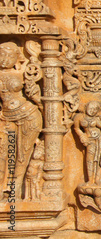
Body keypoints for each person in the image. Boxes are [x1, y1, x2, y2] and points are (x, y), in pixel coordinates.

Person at [0, 42, 43, 197]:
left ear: (17, 58)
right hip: (6, 118)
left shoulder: (23, 73)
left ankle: (15, 191)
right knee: (3, 153)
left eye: (9, 55)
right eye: (1, 55)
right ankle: (3, 189)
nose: (4, 59)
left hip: (28, 116)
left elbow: (34, 88)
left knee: (22, 156)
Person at [73, 101, 101, 184]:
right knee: (89, 159)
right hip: (88, 139)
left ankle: (97, 179)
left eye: (95, 109)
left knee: (99, 158)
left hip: (98, 139)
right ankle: (90, 179)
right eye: (91, 108)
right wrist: (82, 135)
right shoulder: (79, 117)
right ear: (86, 107)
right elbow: (76, 128)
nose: (92, 110)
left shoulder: (96, 119)